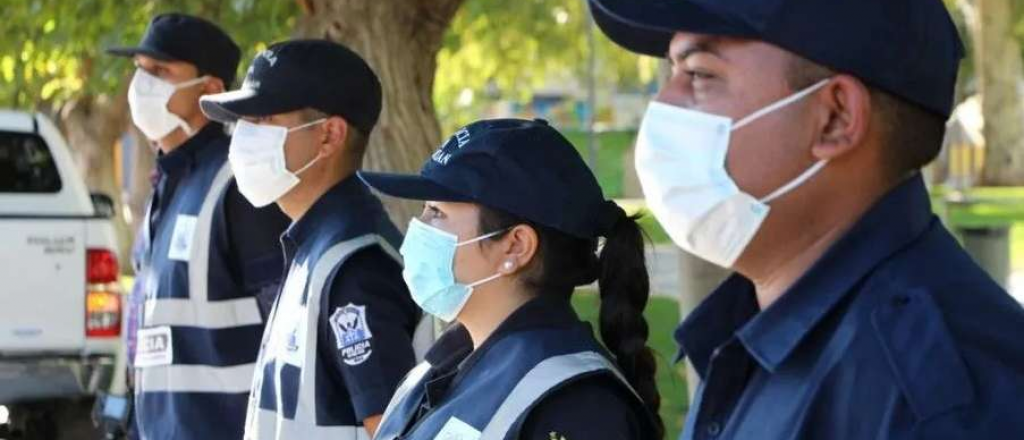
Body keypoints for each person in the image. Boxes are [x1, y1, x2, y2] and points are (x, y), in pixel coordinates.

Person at [588, 0, 1024, 438]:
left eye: (700, 74)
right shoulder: (759, 324)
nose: (662, 104)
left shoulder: (941, 406)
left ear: (835, 118)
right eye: (671, 71)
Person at [358, 118, 663, 440]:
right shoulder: (442, 367)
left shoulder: (575, 408)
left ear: (516, 246)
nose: (416, 228)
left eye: (437, 213)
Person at [199, 39, 425, 440]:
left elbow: (392, 431)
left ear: (329, 136)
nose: (243, 136)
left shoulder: (355, 266)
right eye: (242, 121)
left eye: (263, 118)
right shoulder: (316, 248)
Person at [107, 13, 290, 440]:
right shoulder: (165, 187)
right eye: (139, 68)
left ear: (210, 89)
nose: (142, 83)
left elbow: (283, 326)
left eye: (161, 72)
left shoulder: (238, 186)